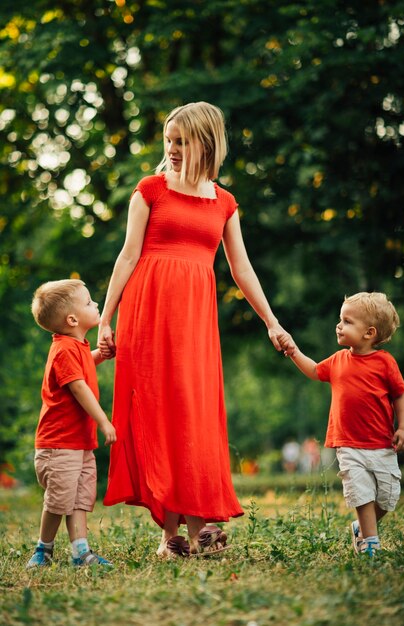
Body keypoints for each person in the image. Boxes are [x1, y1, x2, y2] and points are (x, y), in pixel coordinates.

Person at [98, 101, 294, 557]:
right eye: (169, 140)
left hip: (195, 319)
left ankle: (201, 524)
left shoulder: (224, 202)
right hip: (148, 313)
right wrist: (106, 318)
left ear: (207, 143)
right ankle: (172, 536)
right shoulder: (149, 190)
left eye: (182, 141)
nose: (173, 149)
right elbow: (127, 256)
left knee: (194, 412)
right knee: (157, 412)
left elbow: (242, 269)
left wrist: (272, 321)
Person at [284, 292, 404, 556]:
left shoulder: (385, 363)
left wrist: (403, 428)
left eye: (347, 321)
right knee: (361, 493)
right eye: (340, 319)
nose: (339, 325)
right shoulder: (339, 360)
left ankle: (361, 528)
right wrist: (294, 351)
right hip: (348, 444)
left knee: (388, 497)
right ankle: (370, 542)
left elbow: (400, 395)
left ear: (369, 332)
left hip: (381, 444)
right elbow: (314, 370)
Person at [26, 279, 117, 569]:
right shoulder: (63, 349)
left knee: (80, 498)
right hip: (59, 444)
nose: (97, 305)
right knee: (59, 499)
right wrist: (103, 420)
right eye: (90, 302)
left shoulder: (76, 346)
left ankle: (81, 551)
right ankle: (44, 549)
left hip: (78, 442)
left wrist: (101, 354)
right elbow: (79, 387)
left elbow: (83, 366)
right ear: (72, 319)